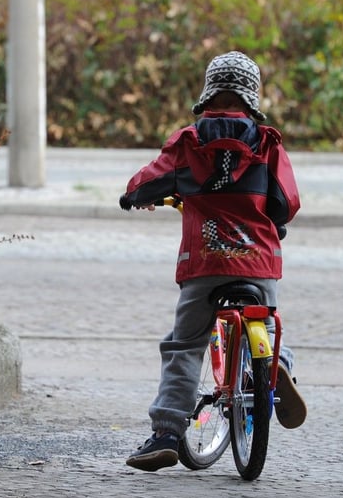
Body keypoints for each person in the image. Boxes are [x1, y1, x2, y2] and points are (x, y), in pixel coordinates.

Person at [119, 50, 306, 472]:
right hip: (257, 261)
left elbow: (152, 179)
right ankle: (276, 367)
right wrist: (274, 221)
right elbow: (286, 200)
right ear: (251, 98)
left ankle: (167, 432)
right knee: (270, 323)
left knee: (185, 345)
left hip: (204, 264)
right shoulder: (267, 144)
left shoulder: (188, 142)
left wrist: (133, 196)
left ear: (209, 93)